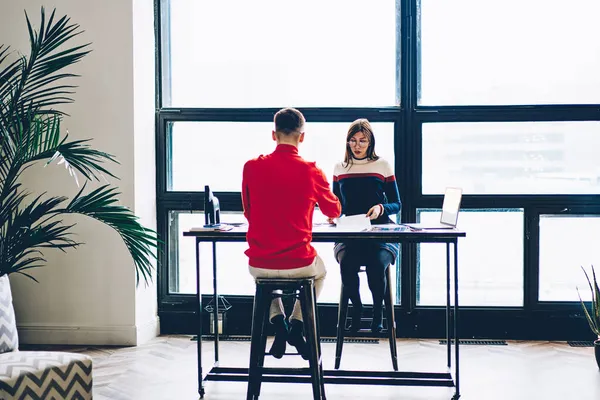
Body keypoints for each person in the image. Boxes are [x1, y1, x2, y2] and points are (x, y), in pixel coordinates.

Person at [242, 107, 342, 359]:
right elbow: (334, 209)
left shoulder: (251, 167)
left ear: (273, 135)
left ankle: (278, 321)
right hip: (300, 262)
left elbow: (248, 212)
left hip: (260, 261)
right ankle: (297, 324)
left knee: (262, 278)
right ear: (302, 136)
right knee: (321, 273)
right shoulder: (311, 171)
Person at [330, 118, 401, 333]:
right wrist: (333, 216)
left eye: (362, 141)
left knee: (376, 265)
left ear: (371, 143)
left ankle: (378, 312)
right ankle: (358, 308)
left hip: (379, 234)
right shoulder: (339, 168)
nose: (357, 145)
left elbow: (397, 204)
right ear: (347, 142)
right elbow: (335, 204)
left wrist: (381, 208)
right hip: (350, 234)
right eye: (353, 140)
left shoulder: (382, 165)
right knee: (347, 264)